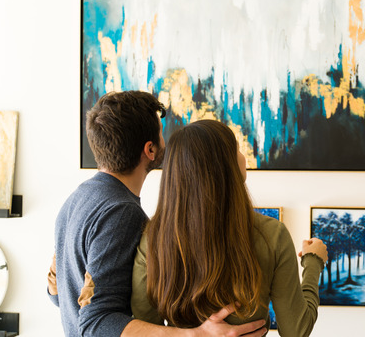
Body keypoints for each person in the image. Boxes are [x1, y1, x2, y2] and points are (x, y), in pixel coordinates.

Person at [48, 91, 266, 337]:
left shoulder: (74, 200)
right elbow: (95, 323)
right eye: (161, 135)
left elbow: (58, 294)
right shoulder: (122, 213)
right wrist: (195, 335)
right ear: (150, 150)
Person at [131, 120, 328, 336]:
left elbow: (145, 326)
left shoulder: (153, 237)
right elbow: (296, 330)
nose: (244, 158)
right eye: (238, 150)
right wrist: (313, 262)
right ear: (224, 167)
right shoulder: (272, 234)